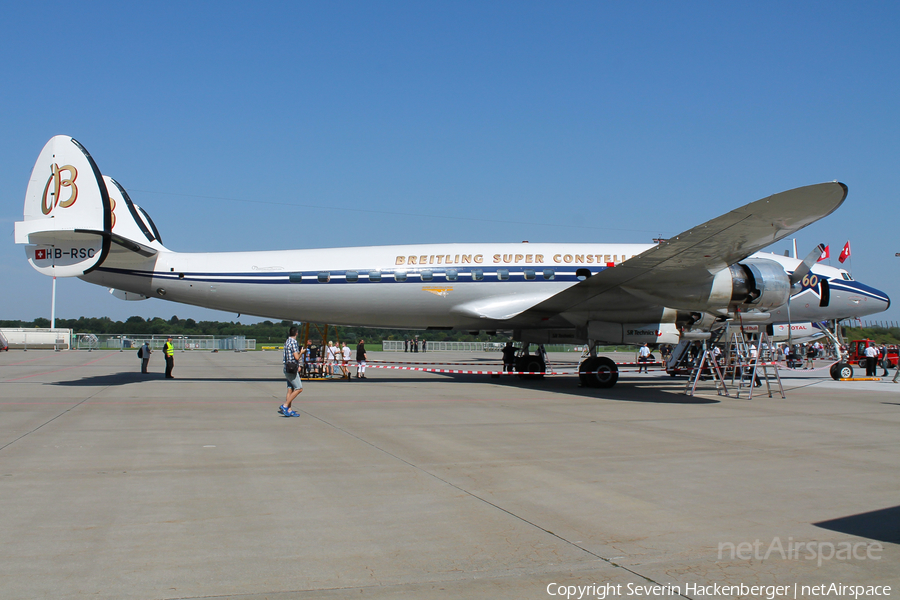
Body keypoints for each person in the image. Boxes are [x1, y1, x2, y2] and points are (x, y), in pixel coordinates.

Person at [280, 326, 303, 417]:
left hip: (287, 367)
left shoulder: (287, 341)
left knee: (290, 389)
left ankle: (289, 410)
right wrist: (302, 352)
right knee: (299, 388)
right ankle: (285, 406)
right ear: (296, 333)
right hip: (292, 368)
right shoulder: (293, 342)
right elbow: (296, 357)